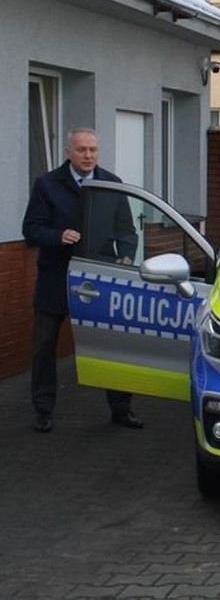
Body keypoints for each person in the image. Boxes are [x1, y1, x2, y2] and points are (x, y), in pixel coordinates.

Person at [22, 128, 143, 433]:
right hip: (56, 278)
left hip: (100, 279)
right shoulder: (47, 185)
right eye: (81, 150)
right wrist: (57, 236)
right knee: (44, 346)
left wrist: (126, 257)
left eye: (93, 150)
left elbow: (127, 232)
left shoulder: (111, 184)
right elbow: (31, 229)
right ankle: (43, 411)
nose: (88, 156)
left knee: (112, 344)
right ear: (68, 152)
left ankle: (121, 409)